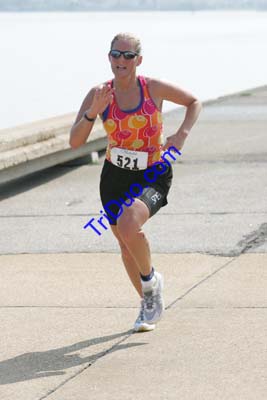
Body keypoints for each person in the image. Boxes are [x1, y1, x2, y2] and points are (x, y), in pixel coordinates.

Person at [69, 32, 202, 332]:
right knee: (125, 243)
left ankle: (151, 283)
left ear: (138, 60)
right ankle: (147, 302)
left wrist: (182, 134)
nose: (121, 61)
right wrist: (92, 111)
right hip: (114, 176)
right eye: (116, 54)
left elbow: (194, 102)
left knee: (130, 223)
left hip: (152, 173)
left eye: (128, 56)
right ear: (109, 57)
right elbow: (75, 142)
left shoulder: (153, 88)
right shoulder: (99, 94)